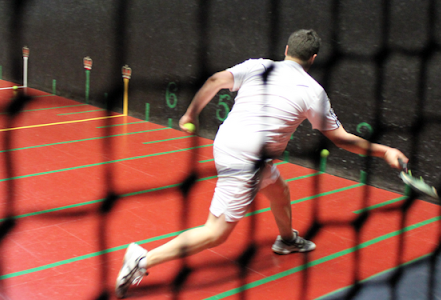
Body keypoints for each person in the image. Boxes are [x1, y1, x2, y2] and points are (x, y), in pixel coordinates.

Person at [115, 29, 409, 298]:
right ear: (313, 58)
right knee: (215, 232)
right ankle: (142, 259)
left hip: (227, 142)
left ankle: (287, 240)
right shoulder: (313, 91)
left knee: (279, 190)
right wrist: (384, 151)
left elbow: (215, 80)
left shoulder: (259, 66)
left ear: (287, 50)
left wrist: (190, 114)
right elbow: (341, 139)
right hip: (247, 160)